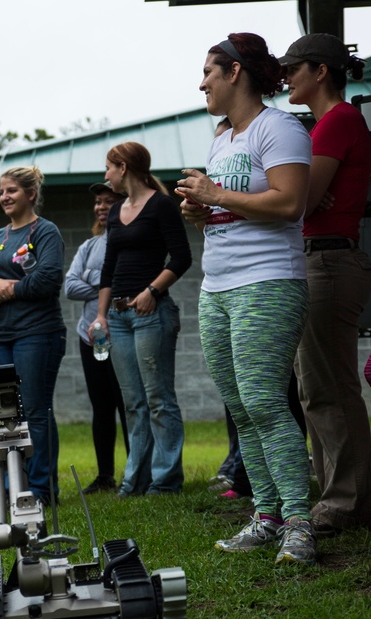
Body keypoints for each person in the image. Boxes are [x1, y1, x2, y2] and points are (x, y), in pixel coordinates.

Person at [177, 32, 315, 565]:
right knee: (240, 407)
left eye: (208, 72)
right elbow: (232, 209)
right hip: (217, 287)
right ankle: (266, 516)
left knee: (263, 401)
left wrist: (215, 193)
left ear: (235, 72)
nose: (202, 83)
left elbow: (289, 203)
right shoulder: (222, 140)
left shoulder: (279, 128)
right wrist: (202, 212)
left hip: (268, 281)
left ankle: (298, 523)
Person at [280, 34, 371, 538]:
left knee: (329, 387)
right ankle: (337, 494)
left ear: (320, 71)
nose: (286, 77)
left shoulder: (338, 121)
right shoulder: (325, 125)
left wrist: (288, 191)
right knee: (316, 388)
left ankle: (347, 501)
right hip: (319, 260)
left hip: (329, 261)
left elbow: (300, 201)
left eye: (293, 68)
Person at [89, 142, 192, 497]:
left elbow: (181, 257)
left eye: (108, 167)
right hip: (117, 318)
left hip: (151, 313)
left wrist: (152, 291)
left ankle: (166, 481)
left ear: (123, 167)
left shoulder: (161, 205)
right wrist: (100, 316)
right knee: (133, 403)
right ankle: (136, 481)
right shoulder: (116, 211)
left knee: (158, 399)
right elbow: (108, 268)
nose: (106, 175)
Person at [0, 166, 66, 504]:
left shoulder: (45, 231)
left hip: (38, 334)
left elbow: (48, 279)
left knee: (35, 411)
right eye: (2, 191)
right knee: (5, 414)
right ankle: (16, 487)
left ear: (30, 193)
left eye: (11, 190)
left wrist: (1, 294)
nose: (4, 197)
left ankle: (42, 490)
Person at [65, 181, 130, 494]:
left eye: (108, 201)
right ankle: (105, 476)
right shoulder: (89, 246)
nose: (100, 207)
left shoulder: (128, 240)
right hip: (89, 337)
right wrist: (105, 284)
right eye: (98, 202)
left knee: (128, 404)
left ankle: (136, 470)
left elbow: (126, 283)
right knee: (101, 407)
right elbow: (69, 286)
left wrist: (97, 281)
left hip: (123, 334)